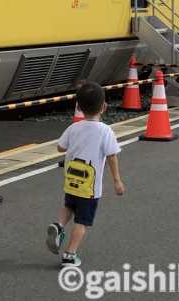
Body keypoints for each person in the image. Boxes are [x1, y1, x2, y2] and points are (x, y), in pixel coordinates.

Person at [46, 81, 123, 267]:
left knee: (69, 206)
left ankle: (59, 225)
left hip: (71, 181)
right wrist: (117, 181)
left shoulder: (74, 128)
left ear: (78, 107)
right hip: (90, 189)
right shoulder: (105, 131)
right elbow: (112, 156)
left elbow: (59, 147)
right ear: (104, 107)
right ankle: (70, 255)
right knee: (82, 222)